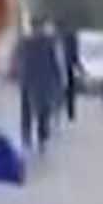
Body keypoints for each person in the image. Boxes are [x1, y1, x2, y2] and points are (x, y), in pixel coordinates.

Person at [15, 22, 62, 152]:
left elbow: (19, 59)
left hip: (28, 79)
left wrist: (19, 74)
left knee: (27, 109)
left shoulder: (25, 41)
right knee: (43, 109)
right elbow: (54, 61)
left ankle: (27, 137)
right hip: (43, 80)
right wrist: (57, 78)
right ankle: (41, 137)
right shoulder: (48, 42)